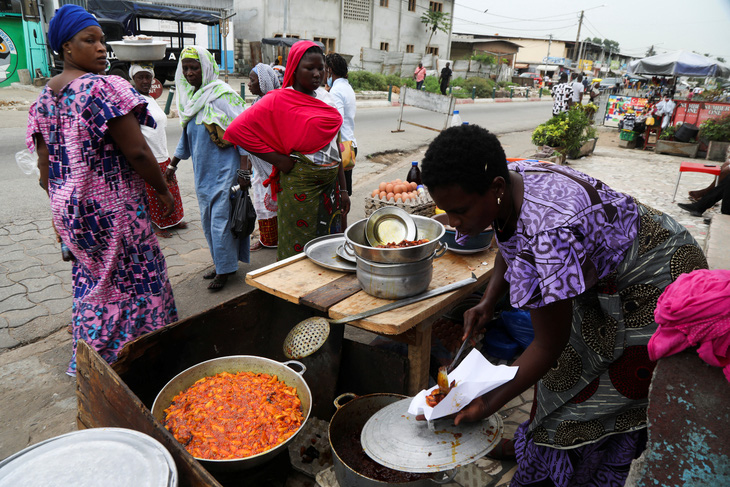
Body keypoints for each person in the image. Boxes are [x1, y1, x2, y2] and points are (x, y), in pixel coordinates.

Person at [420, 124, 708, 486]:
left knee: (588, 391)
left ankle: (574, 466)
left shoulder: (547, 237)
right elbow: (510, 236)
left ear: (495, 188)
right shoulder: (510, 181)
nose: (456, 227)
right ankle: (536, 440)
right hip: (604, 266)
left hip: (653, 276)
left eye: (459, 211)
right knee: (560, 376)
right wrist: (490, 300)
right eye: (447, 212)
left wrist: (486, 405)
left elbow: (547, 345)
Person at [26, 5, 178, 376]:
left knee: (93, 282)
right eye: (89, 40)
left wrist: (60, 216)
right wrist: (162, 191)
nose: (101, 48)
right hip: (113, 210)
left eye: (102, 41)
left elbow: (46, 171)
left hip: (71, 212)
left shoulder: (45, 99)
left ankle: (93, 359)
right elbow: (138, 150)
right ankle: (146, 355)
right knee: (141, 278)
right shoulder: (101, 88)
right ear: (66, 48)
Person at [224, 41, 349, 261]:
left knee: (329, 241)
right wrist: (278, 160)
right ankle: (292, 291)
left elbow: (335, 145)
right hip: (300, 184)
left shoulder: (326, 98)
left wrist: (343, 189)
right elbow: (237, 130)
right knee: (298, 244)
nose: (317, 74)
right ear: (294, 68)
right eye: (309, 68)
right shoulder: (279, 99)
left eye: (321, 68)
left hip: (330, 185)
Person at [165, 46, 249, 291]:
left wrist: (244, 170)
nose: (190, 73)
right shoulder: (193, 99)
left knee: (220, 222)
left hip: (226, 172)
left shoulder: (223, 95)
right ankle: (222, 263)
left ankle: (224, 271)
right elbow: (187, 137)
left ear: (207, 67)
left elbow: (243, 134)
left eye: (195, 67)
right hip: (203, 175)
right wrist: (173, 164)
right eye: (186, 69)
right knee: (207, 220)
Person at [129, 63, 186, 238]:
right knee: (152, 191)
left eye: (148, 77)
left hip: (162, 152)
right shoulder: (133, 101)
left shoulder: (150, 99)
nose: (145, 81)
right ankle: (155, 224)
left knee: (169, 186)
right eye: (140, 77)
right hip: (149, 154)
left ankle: (173, 220)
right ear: (133, 79)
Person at [245, 63, 281, 252]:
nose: (249, 84)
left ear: (265, 82)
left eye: (253, 80)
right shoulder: (257, 101)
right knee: (261, 202)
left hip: (270, 163)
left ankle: (276, 238)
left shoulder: (273, 103)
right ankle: (267, 239)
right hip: (259, 164)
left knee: (272, 202)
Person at [326, 52, 358, 200]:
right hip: (350, 145)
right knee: (344, 191)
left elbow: (336, 120)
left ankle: (340, 222)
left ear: (330, 70)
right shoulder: (347, 87)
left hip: (341, 148)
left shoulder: (336, 90)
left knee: (338, 194)